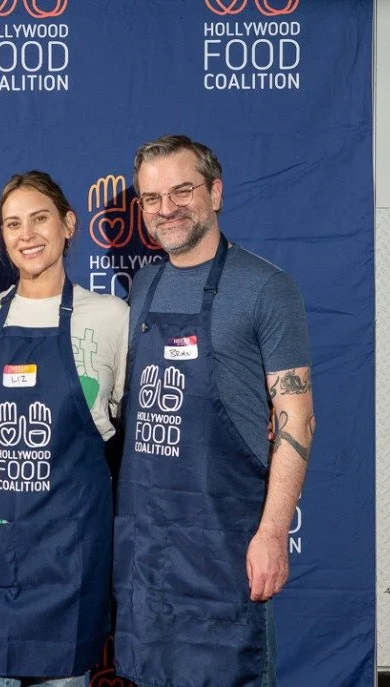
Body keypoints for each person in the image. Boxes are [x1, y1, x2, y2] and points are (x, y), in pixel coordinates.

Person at [113, 135, 314, 687]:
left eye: (182, 190)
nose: (166, 208)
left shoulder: (266, 288)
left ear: (216, 192)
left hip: (224, 547)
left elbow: (297, 417)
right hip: (147, 550)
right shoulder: (143, 287)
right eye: (151, 198)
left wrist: (273, 534)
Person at [0, 172, 128, 687]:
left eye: (40, 218)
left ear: (69, 224)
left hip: (69, 564)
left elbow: (134, 429)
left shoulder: (112, 317)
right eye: (12, 224)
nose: (26, 234)